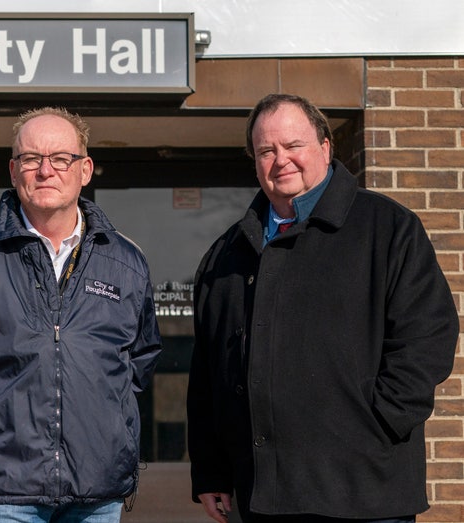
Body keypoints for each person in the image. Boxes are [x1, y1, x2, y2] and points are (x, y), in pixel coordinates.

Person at [187, 93, 459, 523]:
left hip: (365, 492)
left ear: (325, 147)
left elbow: (427, 337)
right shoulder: (227, 254)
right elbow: (207, 374)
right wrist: (210, 469)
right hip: (262, 496)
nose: (281, 161)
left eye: (293, 145)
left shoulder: (387, 228)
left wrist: (380, 423)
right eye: (266, 151)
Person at [0, 106, 162, 522]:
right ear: (12, 170)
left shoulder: (125, 264)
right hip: (5, 489)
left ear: (85, 169)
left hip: (98, 490)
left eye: (61, 159)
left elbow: (140, 359)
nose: (45, 170)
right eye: (30, 159)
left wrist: (104, 416)